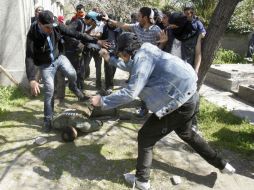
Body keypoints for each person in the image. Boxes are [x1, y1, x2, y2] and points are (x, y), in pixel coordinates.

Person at [91, 32, 236, 190]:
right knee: (188, 134)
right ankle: (222, 164)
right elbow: (131, 64)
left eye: (121, 53)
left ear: (128, 51)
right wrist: (110, 58)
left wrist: (103, 101)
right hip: (190, 95)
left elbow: (130, 93)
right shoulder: (145, 49)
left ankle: (142, 181)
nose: (121, 56)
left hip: (179, 104)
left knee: (146, 136)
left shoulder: (142, 59)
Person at [25, 10, 108, 132]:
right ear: (39, 23)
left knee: (72, 74)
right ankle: (48, 119)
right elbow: (29, 56)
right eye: (47, 28)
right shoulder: (32, 35)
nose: (50, 30)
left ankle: (73, 87)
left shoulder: (56, 25)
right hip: (46, 65)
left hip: (60, 58)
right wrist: (32, 79)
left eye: (52, 27)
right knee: (49, 91)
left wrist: (96, 41)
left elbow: (75, 34)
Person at [103, 7, 166, 118]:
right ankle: (142, 104)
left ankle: (145, 107)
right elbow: (123, 25)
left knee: (148, 86)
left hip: (150, 64)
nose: (137, 17)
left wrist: (162, 44)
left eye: (139, 15)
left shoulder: (156, 30)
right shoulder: (137, 27)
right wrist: (109, 20)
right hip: (137, 61)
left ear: (145, 18)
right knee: (138, 85)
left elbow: (162, 44)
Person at [83, 11, 105, 90]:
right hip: (88, 48)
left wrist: (90, 35)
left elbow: (99, 35)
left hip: (98, 49)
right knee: (85, 66)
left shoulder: (101, 24)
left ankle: (98, 84)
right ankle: (81, 83)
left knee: (98, 67)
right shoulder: (87, 25)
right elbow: (84, 34)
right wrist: (91, 28)